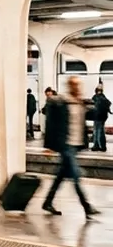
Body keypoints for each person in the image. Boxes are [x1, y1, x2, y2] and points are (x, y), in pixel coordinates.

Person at [41, 76, 98, 216]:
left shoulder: (80, 103)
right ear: (70, 86)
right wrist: (49, 144)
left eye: (78, 85)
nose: (77, 88)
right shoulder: (62, 102)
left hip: (75, 145)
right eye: (74, 85)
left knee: (61, 175)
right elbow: (52, 124)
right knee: (76, 176)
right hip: (66, 145)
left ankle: (47, 202)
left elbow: (91, 116)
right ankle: (87, 206)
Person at [91, 85, 109, 152]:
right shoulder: (103, 97)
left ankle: (98, 146)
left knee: (97, 132)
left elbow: (93, 106)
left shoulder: (96, 97)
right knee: (99, 132)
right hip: (100, 117)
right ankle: (100, 146)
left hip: (98, 117)